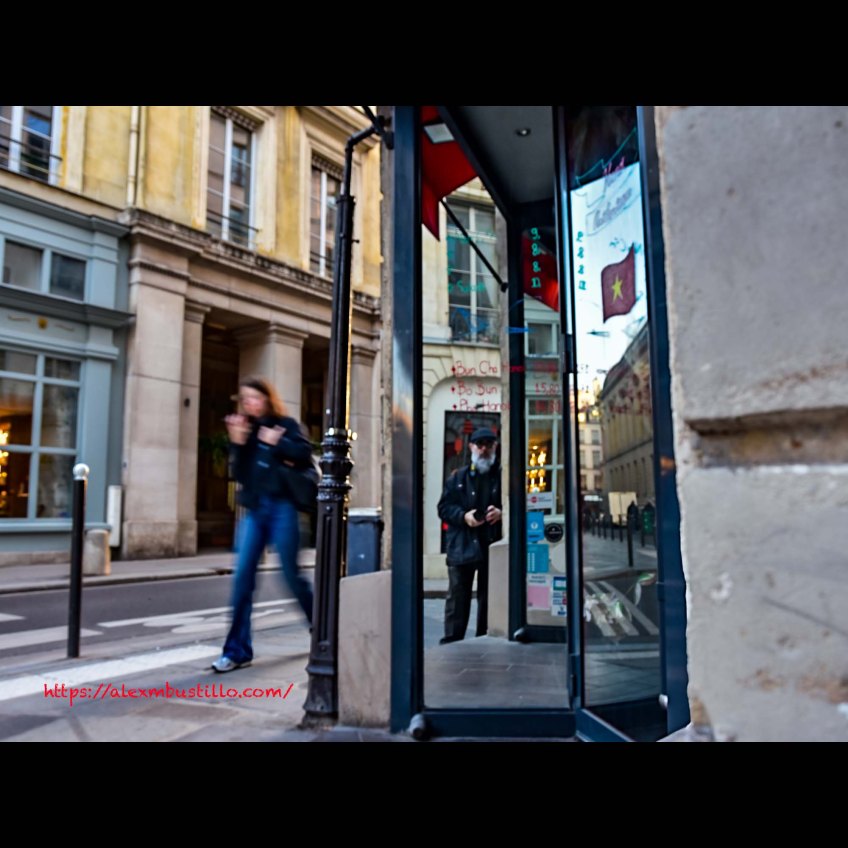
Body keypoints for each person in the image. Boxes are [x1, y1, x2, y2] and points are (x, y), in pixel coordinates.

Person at [211, 376, 314, 673]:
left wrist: (277, 442)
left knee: (291, 575)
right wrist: (238, 444)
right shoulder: (247, 430)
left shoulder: (286, 424)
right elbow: (241, 475)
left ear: (267, 398)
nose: (250, 403)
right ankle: (236, 650)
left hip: (283, 508)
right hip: (255, 511)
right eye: (245, 399)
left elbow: (304, 453)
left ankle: (320, 629)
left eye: (255, 398)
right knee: (242, 578)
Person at [437, 427, 503, 644]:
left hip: (491, 546)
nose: (484, 449)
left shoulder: (502, 477)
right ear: (471, 447)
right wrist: (464, 516)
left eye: (489, 444)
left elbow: (517, 505)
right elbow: (443, 508)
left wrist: (502, 513)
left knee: (488, 598)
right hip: (462, 546)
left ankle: (483, 641)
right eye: (479, 444)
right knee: (457, 598)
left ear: (495, 447)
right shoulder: (458, 477)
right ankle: (453, 641)